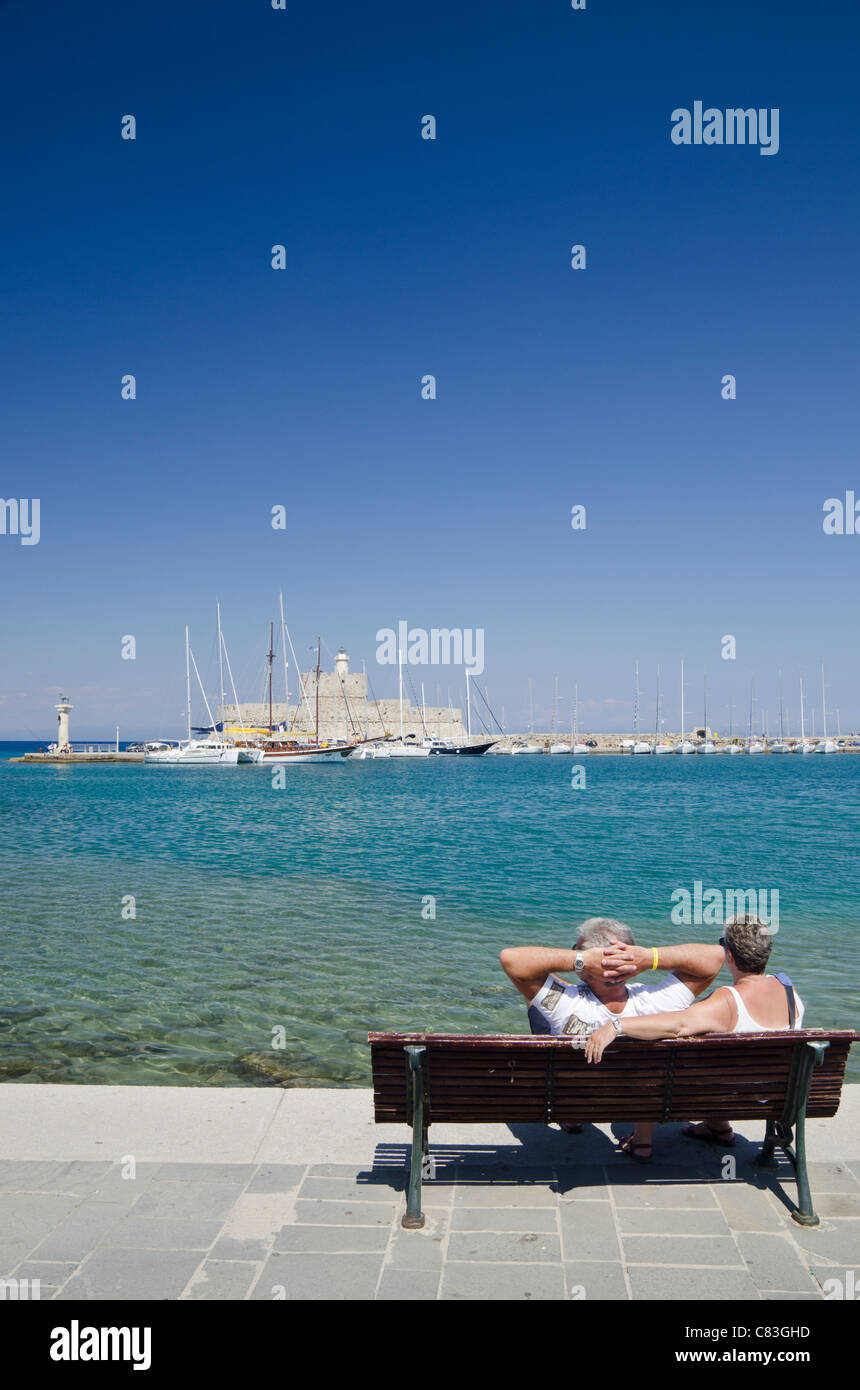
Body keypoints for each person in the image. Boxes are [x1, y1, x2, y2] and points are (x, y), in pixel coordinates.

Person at [500, 917, 725, 1157]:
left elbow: (511, 959)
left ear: (588, 971)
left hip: (577, 1092)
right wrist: (648, 959)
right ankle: (642, 1141)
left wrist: (581, 961)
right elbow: (715, 957)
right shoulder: (661, 1003)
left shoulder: (566, 1006)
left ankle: (573, 1118)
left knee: (536, 1004)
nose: (574, 954)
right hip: (637, 1094)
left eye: (576, 950)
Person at [583, 914, 804, 1159]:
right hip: (777, 1096)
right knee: (720, 1065)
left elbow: (677, 1025)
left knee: (659, 1060)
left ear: (729, 956)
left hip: (727, 1096)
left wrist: (616, 1025)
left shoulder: (727, 1001)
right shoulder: (789, 991)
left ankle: (642, 1142)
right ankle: (718, 1127)